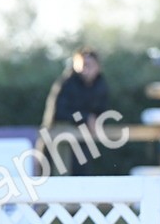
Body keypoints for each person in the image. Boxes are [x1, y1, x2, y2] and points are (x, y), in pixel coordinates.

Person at [38, 47, 109, 175]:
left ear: (98, 66)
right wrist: (85, 118)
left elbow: (100, 111)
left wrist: (96, 120)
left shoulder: (100, 85)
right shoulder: (67, 84)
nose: (85, 69)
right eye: (82, 64)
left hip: (82, 143)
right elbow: (60, 112)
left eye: (89, 65)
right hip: (58, 139)